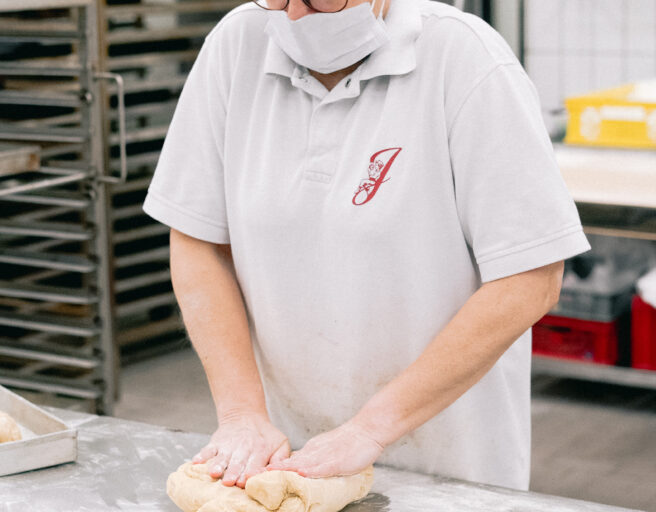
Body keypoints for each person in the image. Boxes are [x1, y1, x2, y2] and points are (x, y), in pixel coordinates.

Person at [143, 0, 590, 492]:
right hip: (285, 461)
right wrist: (241, 414)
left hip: (446, 466)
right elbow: (199, 240)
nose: (294, 16)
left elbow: (530, 279)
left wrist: (369, 430)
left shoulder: (463, 58)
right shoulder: (237, 45)